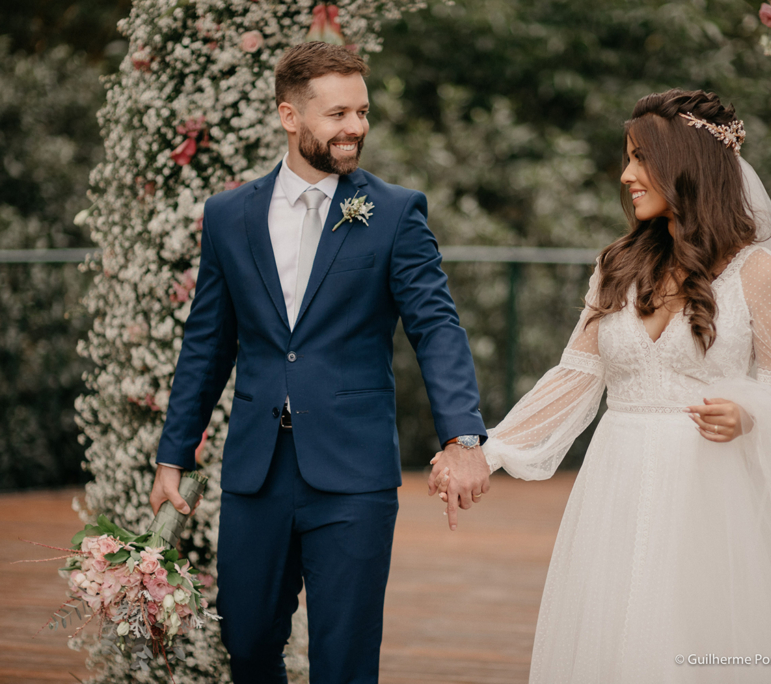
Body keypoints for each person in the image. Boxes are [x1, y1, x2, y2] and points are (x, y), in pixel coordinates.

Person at [431, 89, 771, 683]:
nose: (626, 174)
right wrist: (487, 449)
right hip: (619, 487)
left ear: (686, 163)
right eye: (628, 157)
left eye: (640, 158)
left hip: (715, 496)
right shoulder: (617, 264)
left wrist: (748, 413)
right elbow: (576, 377)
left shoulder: (758, 271)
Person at [150, 41, 491, 683]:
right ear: (290, 116)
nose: (355, 127)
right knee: (247, 642)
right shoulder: (229, 216)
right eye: (337, 114)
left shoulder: (394, 213)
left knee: (344, 661)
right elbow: (208, 342)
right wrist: (174, 455)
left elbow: (437, 328)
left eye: (362, 112)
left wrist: (464, 434)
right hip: (256, 472)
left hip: (354, 473)